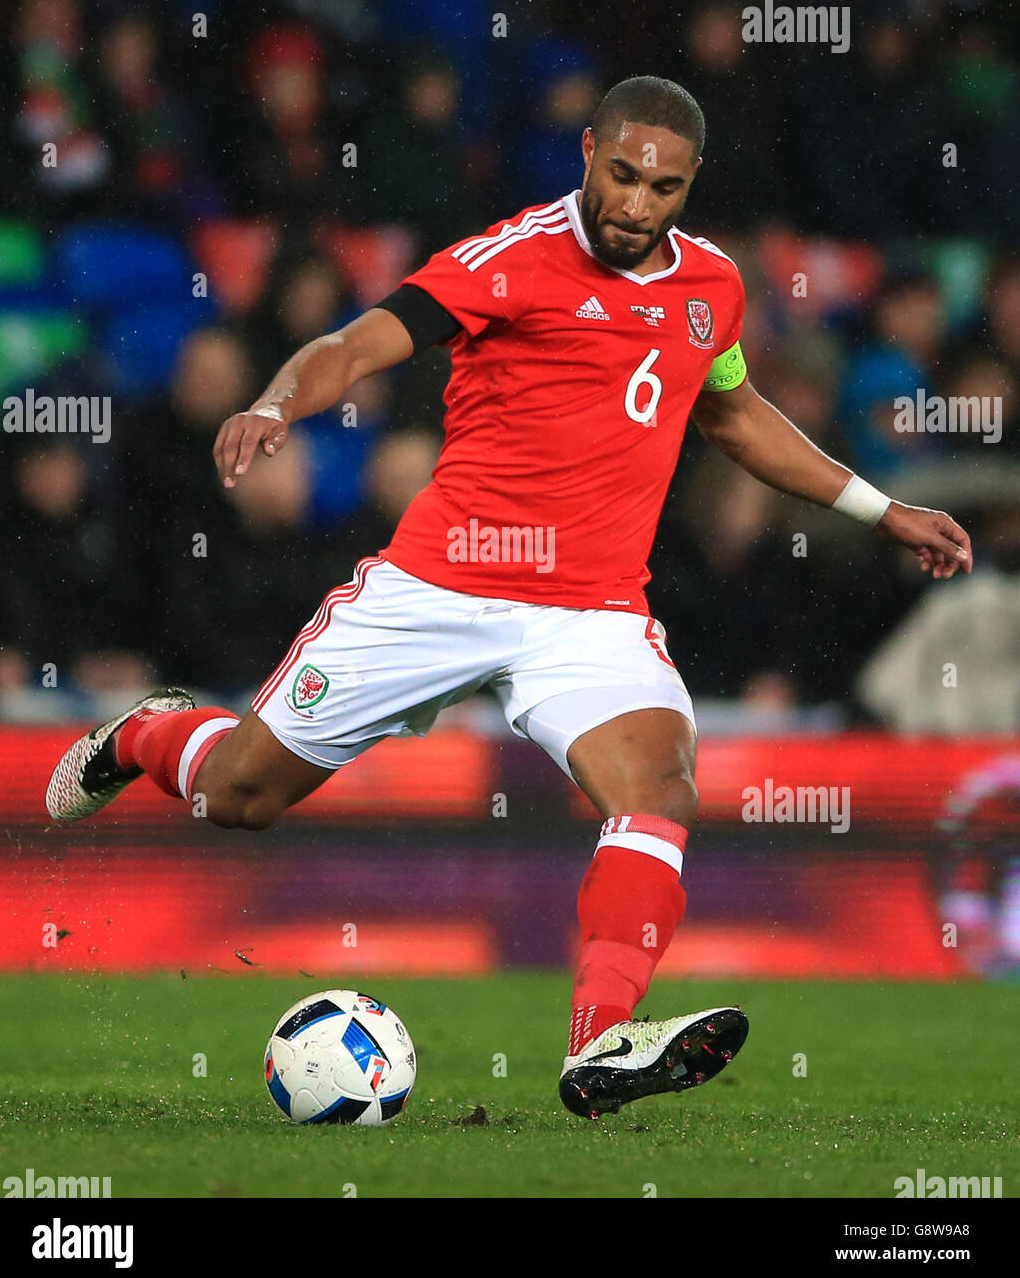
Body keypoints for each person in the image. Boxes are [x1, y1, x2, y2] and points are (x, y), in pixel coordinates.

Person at [47, 76, 973, 1120]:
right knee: (238, 797)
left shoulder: (711, 286)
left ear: (690, 183)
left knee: (659, 788)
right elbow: (359, 343)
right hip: (440, 587)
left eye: (661, 186)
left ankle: (600, 1044)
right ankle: (150, 737)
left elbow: (734, 413)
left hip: (592, 611)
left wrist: (880, 507)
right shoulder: (509, 258)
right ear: (586, 152)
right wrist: (273, 401)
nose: (635, 202)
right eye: (621, 174)